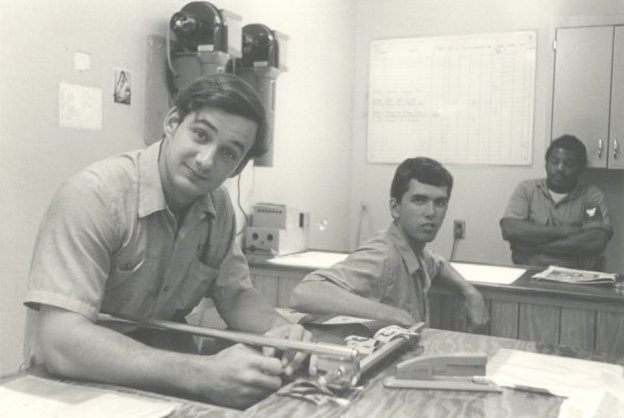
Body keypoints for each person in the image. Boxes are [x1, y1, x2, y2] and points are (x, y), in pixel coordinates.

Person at [24, 73, 310, 409]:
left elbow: (235, 295)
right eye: (201, 135)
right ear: (173, 122)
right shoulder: (94, 196)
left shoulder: (217, 205)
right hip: (71, 385)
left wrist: (280, 329)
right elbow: (61, 342)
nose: (206, 160)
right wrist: (203, 372)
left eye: (228, 154)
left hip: (161, 384)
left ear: (237, 168)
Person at [289, 157, 489, 331]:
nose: (431, 212)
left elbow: (438, 263)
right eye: (419, 200)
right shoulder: (383, 254)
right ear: (395, 208)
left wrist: (470, 292)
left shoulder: (414, 250)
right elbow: (305, 293)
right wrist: (394, 315)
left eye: (439, 202)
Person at [500, 134, 613, 270]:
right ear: (546, 163)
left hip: (575, 278)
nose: (560, 168)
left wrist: (531, 245)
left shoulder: (590, 197)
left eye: (568, 164)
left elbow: (595, 241)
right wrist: (568, 231)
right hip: (528, 274)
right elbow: (510, 229)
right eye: (554, 161)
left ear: (580, 168)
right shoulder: (527, 189)